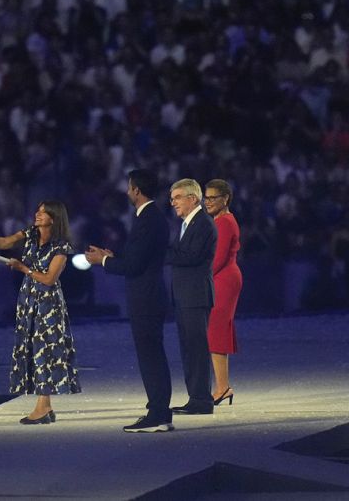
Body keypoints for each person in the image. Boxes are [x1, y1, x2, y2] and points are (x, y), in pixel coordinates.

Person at [0, 201, 80, 424]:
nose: (37, 215)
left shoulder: (60, 247)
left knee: (45, 351)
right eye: (37, 210)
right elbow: (6, 241)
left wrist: (24, 269)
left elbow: (49, 279)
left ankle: (43, 406)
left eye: (43, 212)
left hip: (47, 304)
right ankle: (44, 406)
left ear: (54, 218)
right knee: (31, 348)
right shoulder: (30, 234)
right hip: (28, 299)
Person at [85, 170, 174, 433]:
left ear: (136, 190)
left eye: (129, 187)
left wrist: (102, 261)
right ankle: (159, 411)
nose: (126, 192)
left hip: (146, 297)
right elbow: (136, 258)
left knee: (151, 356)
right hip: (148, 294)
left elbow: (134, 265)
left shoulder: (148, 219)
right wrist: (111, 257)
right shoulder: (150, 218)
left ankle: (158, 414)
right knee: (153, 355)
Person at [166, 178, 217, 415]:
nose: (172, 202)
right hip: (185, 296)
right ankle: (195, 397)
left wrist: (162, 252)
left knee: (196, 348)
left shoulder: (203, 224)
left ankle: (201, 399)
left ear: (192, 198)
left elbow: (192, 257)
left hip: (195, 296)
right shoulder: (188, 224)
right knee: (189, 347)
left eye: (177, 197)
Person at [203, 179, 243, 406]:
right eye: (206, 198)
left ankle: (222, 387)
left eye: (212, 198)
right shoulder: (220, 221)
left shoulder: (225, 222)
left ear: (225, 199)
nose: (208, 202)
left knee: (216, 332)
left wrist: (201, 276)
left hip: (223, 279)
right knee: (215, 331)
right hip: (223, 277)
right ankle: (222, 386)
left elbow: (217, 259)